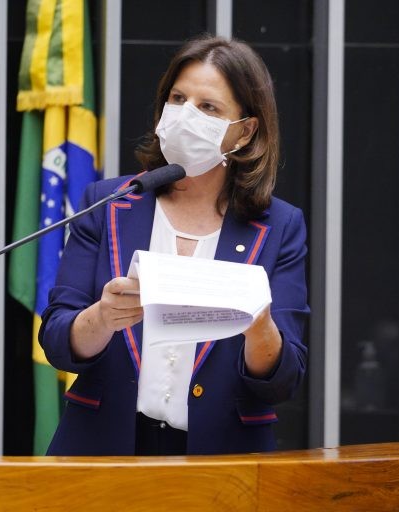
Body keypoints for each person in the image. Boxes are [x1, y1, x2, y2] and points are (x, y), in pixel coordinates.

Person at [39, 35, 309, 456]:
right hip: (102, 448)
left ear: (245, 131)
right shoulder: (109, 203)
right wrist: (103, 317)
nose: (186, 116)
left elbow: (282, 379)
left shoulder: (279, 226)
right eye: (178, 98)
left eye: (208, 107)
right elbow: (57, 341)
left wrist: (259, 327)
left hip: (222, 458)